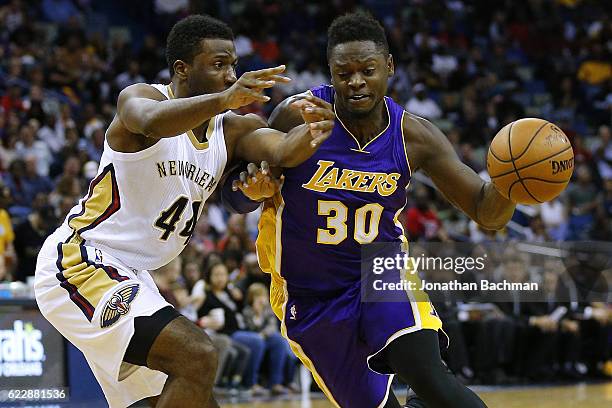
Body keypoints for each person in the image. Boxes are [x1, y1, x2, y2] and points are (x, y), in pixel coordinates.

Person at [34, 14, 334, 408]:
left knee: (188, 397)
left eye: (233, 66)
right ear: (182, 68)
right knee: (198, 356)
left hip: (134, 274)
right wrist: (225, 99)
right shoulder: (142, 97)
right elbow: (150, 121)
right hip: (81, 259)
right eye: (219, 65)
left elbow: (280, 149)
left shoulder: (231, 130)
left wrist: (316, 130)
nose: (231, 76)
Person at [225, 11, 520, 408]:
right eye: (343, 72)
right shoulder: (297, 115)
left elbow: (487, 213)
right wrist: (255, 193)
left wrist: (514, 183)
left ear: (389, 67)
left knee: (435, 383)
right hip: (308, 292)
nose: (356, 81)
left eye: (367, 69)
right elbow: (235, 196)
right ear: (330, 72)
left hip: (380, 271)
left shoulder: (414, 135)